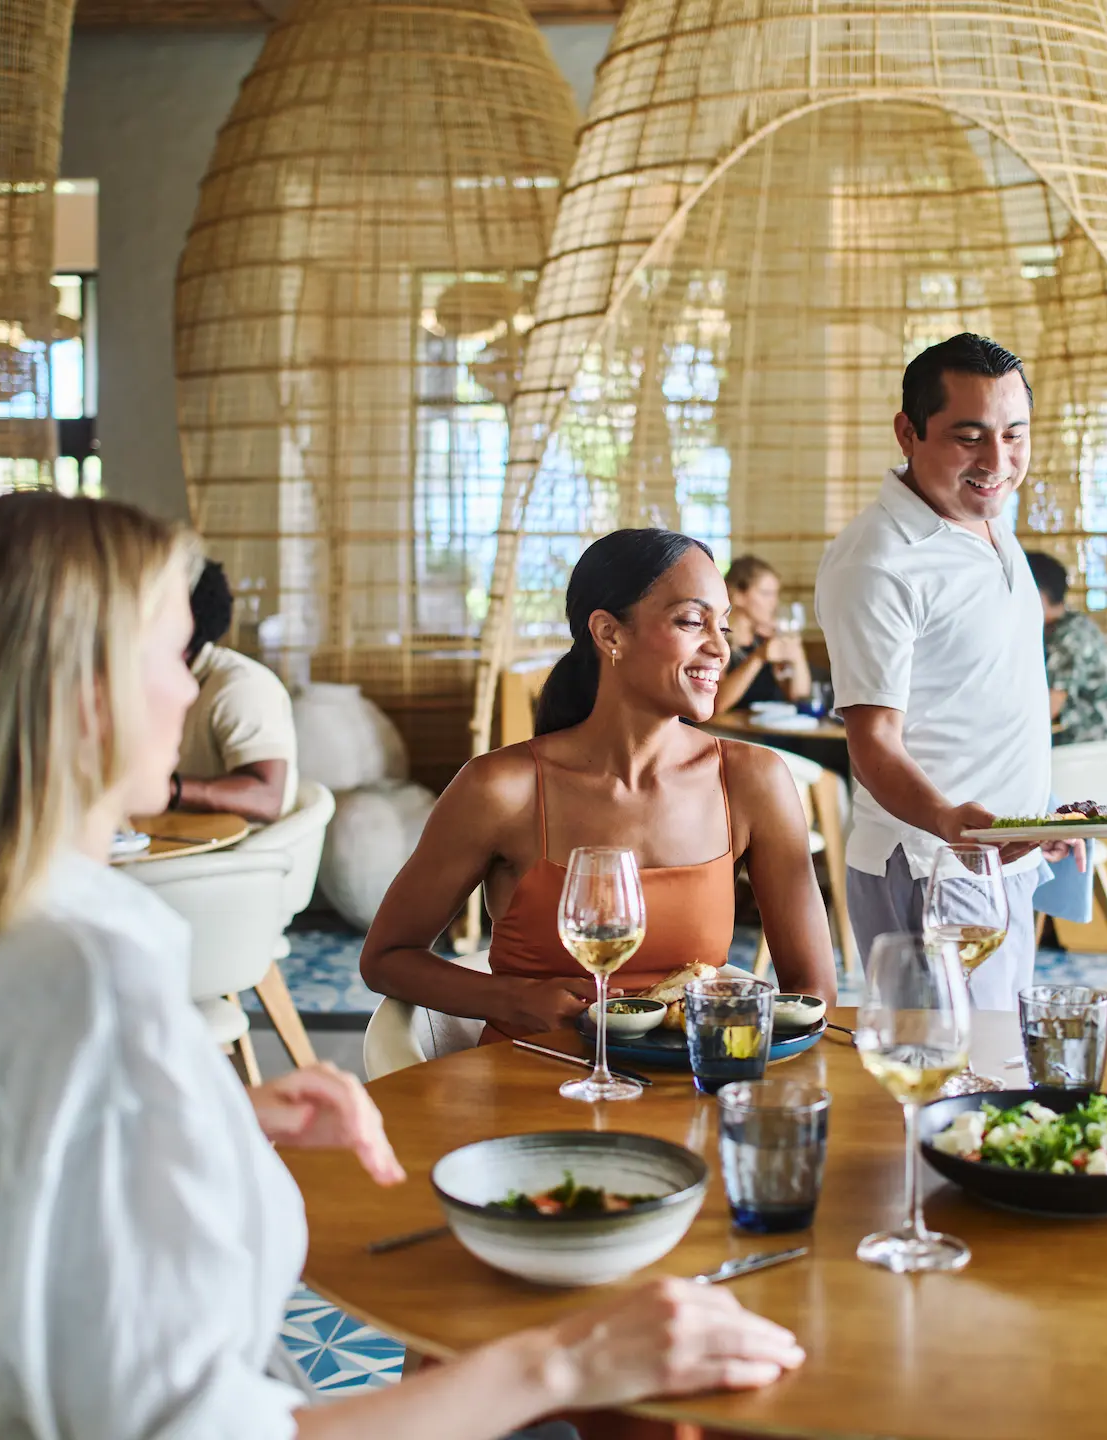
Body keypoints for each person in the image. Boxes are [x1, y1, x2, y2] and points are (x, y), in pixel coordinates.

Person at [0, 494, 804, 1440]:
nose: (192, 686)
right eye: (173, 651)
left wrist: (208, 1124)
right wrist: (560, 1363)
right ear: (76, 686)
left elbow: (44, 1200)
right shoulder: (73, 985)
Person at [362, 529, 836, 1039]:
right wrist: (513, 999)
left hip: (690, 1093)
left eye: (723, 625)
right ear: (610, 633)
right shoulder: (501, 789)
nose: (720, 648)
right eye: (693, 621)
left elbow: (812, 993)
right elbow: (387, 958)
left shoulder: (751, 782)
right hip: (533, 1092)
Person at [814, 334, 1069, 1010]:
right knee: (944, 1087)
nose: (997, 461)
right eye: (969, 437)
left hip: (997, 857)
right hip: (933, 864)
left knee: (993, 1070)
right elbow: (873, 745)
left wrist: (1040, 817)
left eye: (1015, 436)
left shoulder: (988, 523)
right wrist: (949, 821)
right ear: (908, 432)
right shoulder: (880, 561)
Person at [175, 558, 298, 823]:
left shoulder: (240, 686)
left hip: (230, 857)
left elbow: (267, 796)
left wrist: (165, 790)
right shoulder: (149, 683)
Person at [1026, 550, 1107, 747]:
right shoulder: (1055, 629)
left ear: (1040, 595)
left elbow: (1050, 706)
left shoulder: (1070, 634)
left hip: (1100, 740)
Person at [713, 555, 811, 715]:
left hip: (766, 733)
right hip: (727, 735)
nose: (774, 602)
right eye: (766, 593)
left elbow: (799, 696)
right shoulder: (720, 639)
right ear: (738, 596)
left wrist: (796, 653)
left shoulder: (765, 639)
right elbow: (716, 705)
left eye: (775, 594)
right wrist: (758, 658)